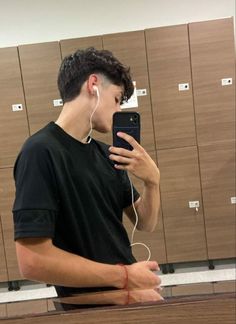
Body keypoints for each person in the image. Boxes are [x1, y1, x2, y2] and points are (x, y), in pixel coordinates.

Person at [12, 47, 162, 304]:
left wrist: (152, 181)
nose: (118, 111)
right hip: (92, 305)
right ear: (94, 84)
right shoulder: (40, 152)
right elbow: (32, 262)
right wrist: (125, 277)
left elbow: (145, 223)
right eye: (117, 99)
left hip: (127, 295)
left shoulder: (108, 154)